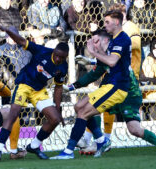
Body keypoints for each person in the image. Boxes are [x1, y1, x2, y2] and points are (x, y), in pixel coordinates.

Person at [63, 29, 156, 157]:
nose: (92, 44)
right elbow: (95, 73)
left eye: (95, 41)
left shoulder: (114, 52)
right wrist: (72, 86)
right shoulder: (106, 55)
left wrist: (90, 62)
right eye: (91, 41)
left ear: (105, 41)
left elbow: (105, 67)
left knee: (134, 129)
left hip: (129, 94)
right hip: (115, 91)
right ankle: (98, 140)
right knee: (83, 107)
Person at [50, 10, 131, 159]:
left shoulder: (122, 40)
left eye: (107, 22)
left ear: (117, 22)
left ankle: (68, 151)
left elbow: (112, 61)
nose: (104, 24)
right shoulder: (113, 41)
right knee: (78, 106)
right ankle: (101, 141)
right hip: (109, 86)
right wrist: (72, 86)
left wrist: (94, 53)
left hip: (117, 87)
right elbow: (95, 73)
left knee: (82, 113)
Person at [0, 22, 69, 161]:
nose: (58, 59)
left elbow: (58, 87)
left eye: (61, 57)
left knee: (55, 119)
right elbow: (21, 40)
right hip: (24, 84)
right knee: (13, 114)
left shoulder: (63, 67)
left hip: (39, 90)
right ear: (54, 51)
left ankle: (34, 145)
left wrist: (58, 108)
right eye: (57, 55)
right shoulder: (42, 51)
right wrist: (5, 30)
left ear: (66, 57)